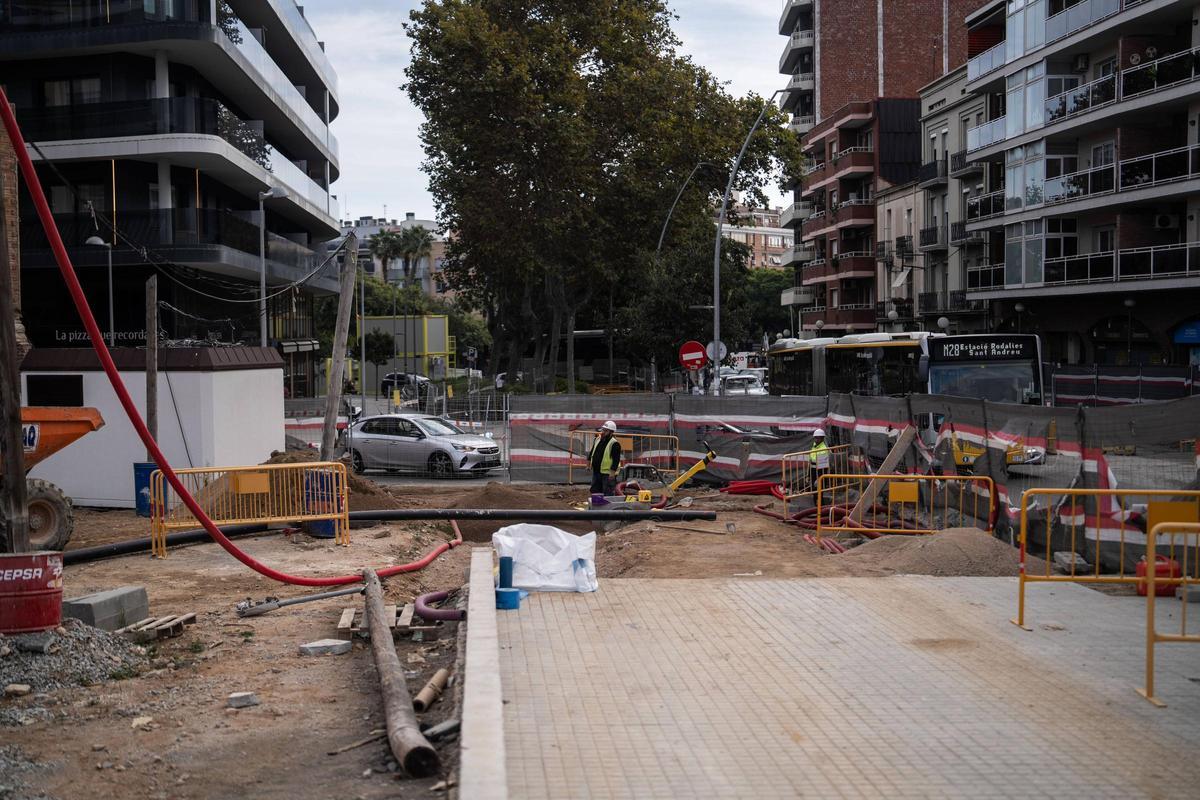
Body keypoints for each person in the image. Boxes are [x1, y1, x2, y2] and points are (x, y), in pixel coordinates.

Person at [589, 420, 622, 496]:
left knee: (607, 493)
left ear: (611, 432)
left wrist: (612, 474)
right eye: (603, 430)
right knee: (595, 491)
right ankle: (597, 507)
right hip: (597, 471)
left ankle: (607, 507)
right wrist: (588, 464)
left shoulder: (614, 444)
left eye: (605, 431)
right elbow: (592, 452)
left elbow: (616, 460)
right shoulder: (598, 439)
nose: (603, 432)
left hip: (607, 474)